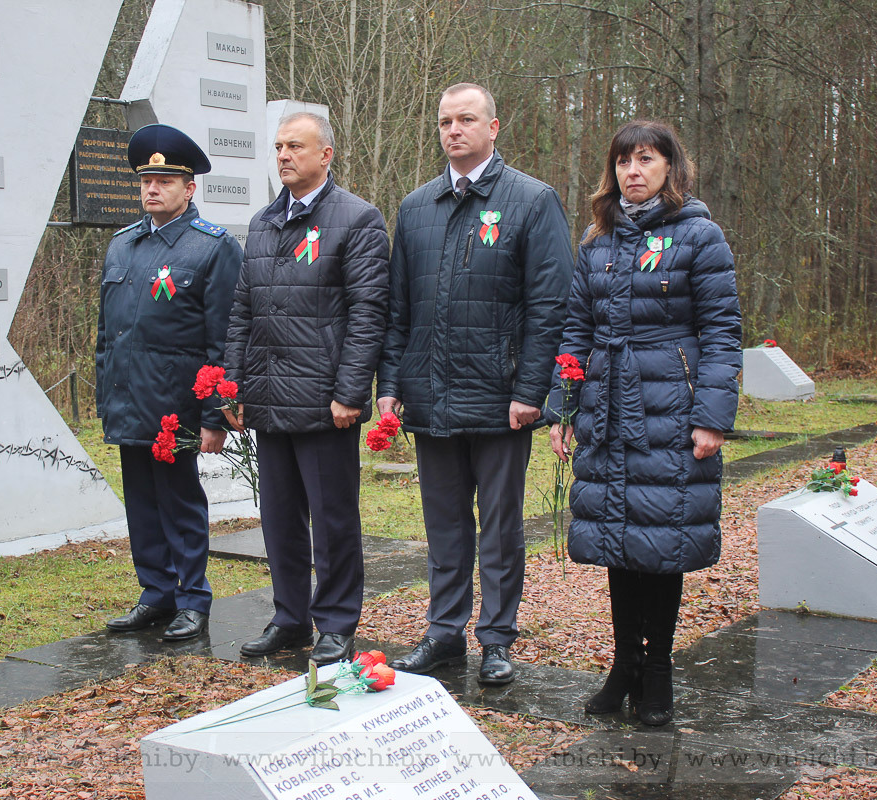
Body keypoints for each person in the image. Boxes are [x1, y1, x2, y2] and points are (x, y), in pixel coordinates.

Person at [376, 83, 573, 685]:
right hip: (430, 395)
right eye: (444, 121)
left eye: (466, 119)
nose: (453, 130)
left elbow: (550, 305)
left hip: (500, 396)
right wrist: (390, 384)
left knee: (501, 524)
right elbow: (397, 309)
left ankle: (496, 638)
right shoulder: (415, 207)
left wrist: (531, 392)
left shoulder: (532, 201)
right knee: (443, 524)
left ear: (493, 128)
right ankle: (443, 631)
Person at [546, 120, 741, 725]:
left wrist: (712, 417)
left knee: (663, 541)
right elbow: (575, 330)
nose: (634, 170)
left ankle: (658, 673)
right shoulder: (596, 240)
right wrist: (565, 409)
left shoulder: (699, 237)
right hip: (606, 409)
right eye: (624, 161)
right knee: (618, 544)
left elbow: (722, 333)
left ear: (669, 168)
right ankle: (624, 663)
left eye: (647, 159)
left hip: (672, 412)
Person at [223, 112, 389, 665]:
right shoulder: (264, 222)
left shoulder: (358, 219)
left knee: (334, 519)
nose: (284, 156)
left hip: (324, 401)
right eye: (278, 147)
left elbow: (368, 313)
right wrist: (234, 385)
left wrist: (350, 392)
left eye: (296, 146)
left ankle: (336, 622)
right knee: (279, 517)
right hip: (268, 397)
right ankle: (289, 617)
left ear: (327, 155)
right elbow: (243, 309)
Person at [96, 124, 243, 642]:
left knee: (180, 504)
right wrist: (106, 395)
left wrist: (213, 417)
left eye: (165, 179)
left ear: (189, 187)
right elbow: (106, 334)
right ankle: (155, 593)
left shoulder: (212, 249)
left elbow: (223, 339)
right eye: (146, 179)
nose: (152, 188)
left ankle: (192, 599)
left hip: (176, 408)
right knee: (140, 505)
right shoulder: (122, 246)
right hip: (129, 401)